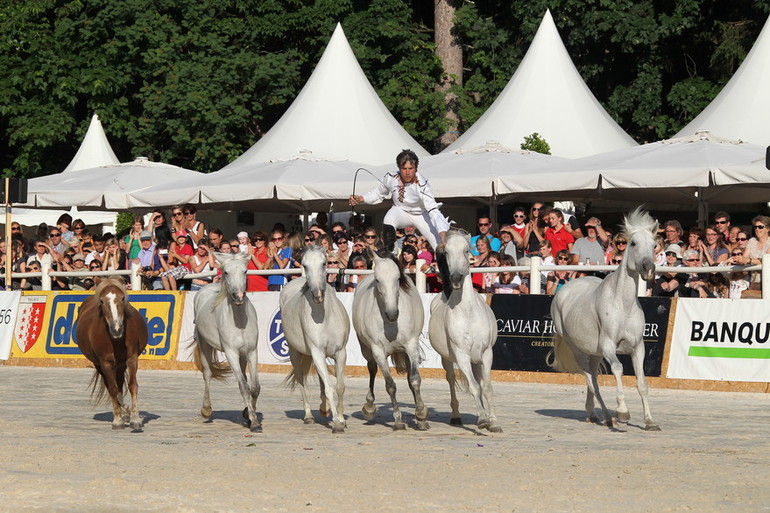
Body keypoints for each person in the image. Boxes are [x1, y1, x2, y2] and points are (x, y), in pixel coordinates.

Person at [349, 149, 450, 251]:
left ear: (415, 169)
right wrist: (361, 198)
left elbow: (433, 209)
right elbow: (379, 193)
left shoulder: (422, 186)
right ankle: (391, 254)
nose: (407, 172)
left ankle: (445, 266)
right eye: (404, 168)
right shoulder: (391, 178)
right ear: (399, 168)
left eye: (410, 168)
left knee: (439, 245)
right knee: (388, 219)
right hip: (400, 211)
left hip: (421, 214)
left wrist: (442, 231)